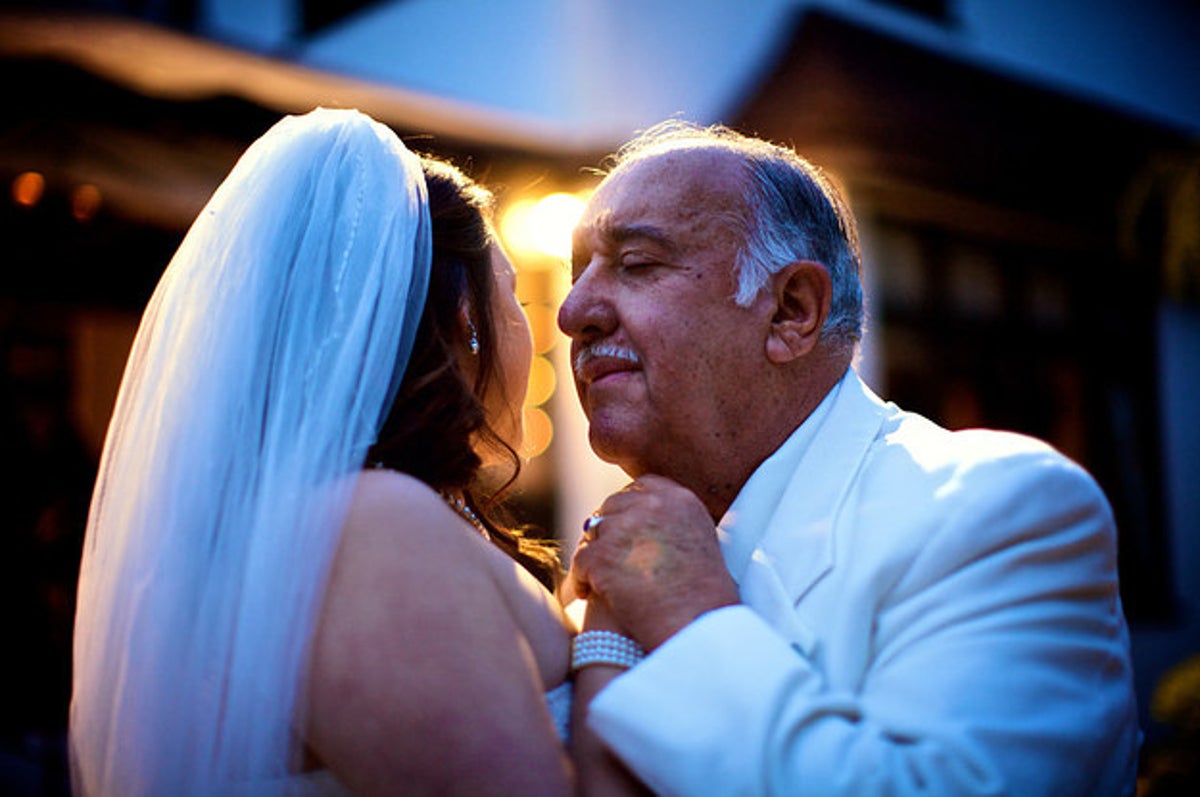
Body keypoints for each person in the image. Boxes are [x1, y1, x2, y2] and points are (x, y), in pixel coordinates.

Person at [559, 120, 1140, 796]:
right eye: (578, 274)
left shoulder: (998, 506)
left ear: (791, 312)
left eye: (637, 265)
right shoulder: (617, 559)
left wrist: (689, 616)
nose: (573, 312)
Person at [69, 108, 581, 797]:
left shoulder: (356, 520)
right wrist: (611, 641)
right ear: (467, 320)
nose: (540, 327)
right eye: (515, 297)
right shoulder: (370, 530)